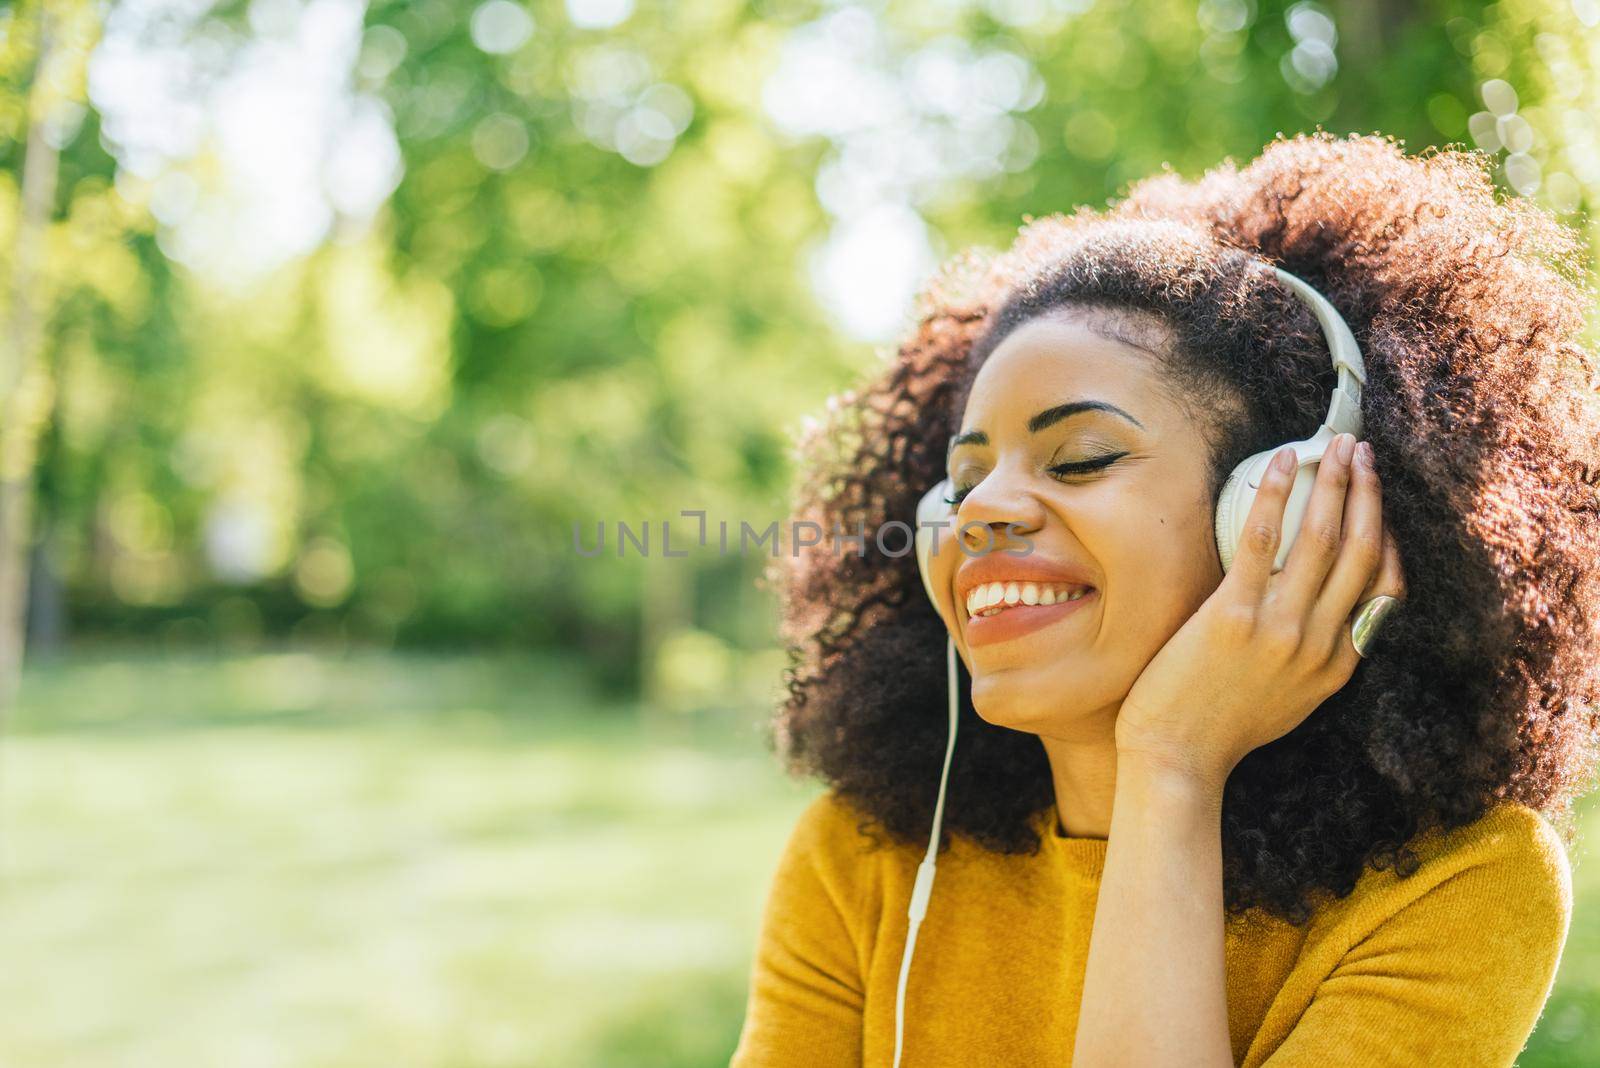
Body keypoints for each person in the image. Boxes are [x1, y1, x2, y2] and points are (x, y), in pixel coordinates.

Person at [728, 132, 1600, 1066]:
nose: (981, 512)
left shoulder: (1461, 879)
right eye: (964, 479)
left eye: (1081, 459)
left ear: (1291, 508)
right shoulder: (864, 856)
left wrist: (1172, 766)